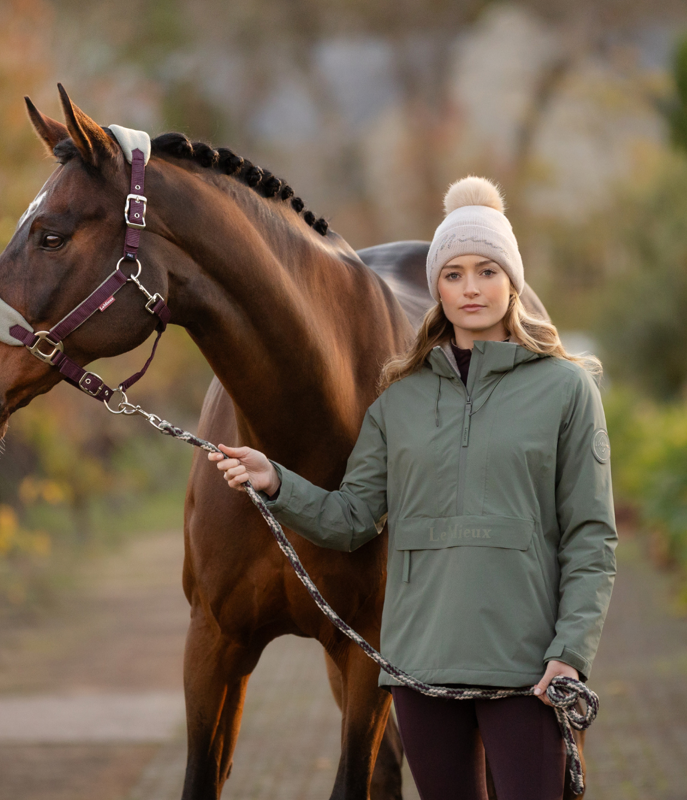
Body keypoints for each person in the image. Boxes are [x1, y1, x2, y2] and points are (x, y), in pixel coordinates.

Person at [207, 175, 617, 800]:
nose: (471, 288)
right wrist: (276, 482)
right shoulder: (399, 397)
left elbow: (592, 537)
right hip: (420, 676)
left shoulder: (566, 390)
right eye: (453, 274)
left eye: (486, 271)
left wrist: (571, 653)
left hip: (529, 672)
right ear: (436, 288)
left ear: (513, 281)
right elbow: (351, 518)